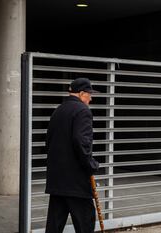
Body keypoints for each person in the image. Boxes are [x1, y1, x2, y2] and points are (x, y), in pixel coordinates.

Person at [45, 77, 100, 233]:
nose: (91, 97)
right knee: (85, 223)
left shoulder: (58, 110)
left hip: (57, 180)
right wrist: (91, 165)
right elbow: (81, 142)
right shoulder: (83, 111)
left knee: (54, 225)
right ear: (82, 93)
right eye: (89, 94)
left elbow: (48, 142)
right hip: (76, 181)